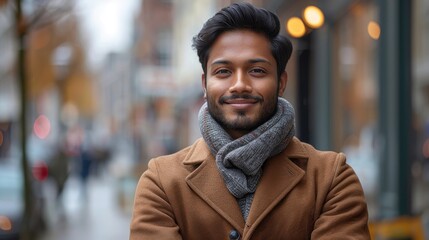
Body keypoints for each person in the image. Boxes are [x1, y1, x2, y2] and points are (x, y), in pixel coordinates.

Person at [130, 2, 370, 239]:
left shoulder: (331, 178)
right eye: (223, 71)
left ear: (281, 82)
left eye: (257, 71)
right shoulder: (161, 183)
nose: (239, 85)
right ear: (204, 84)